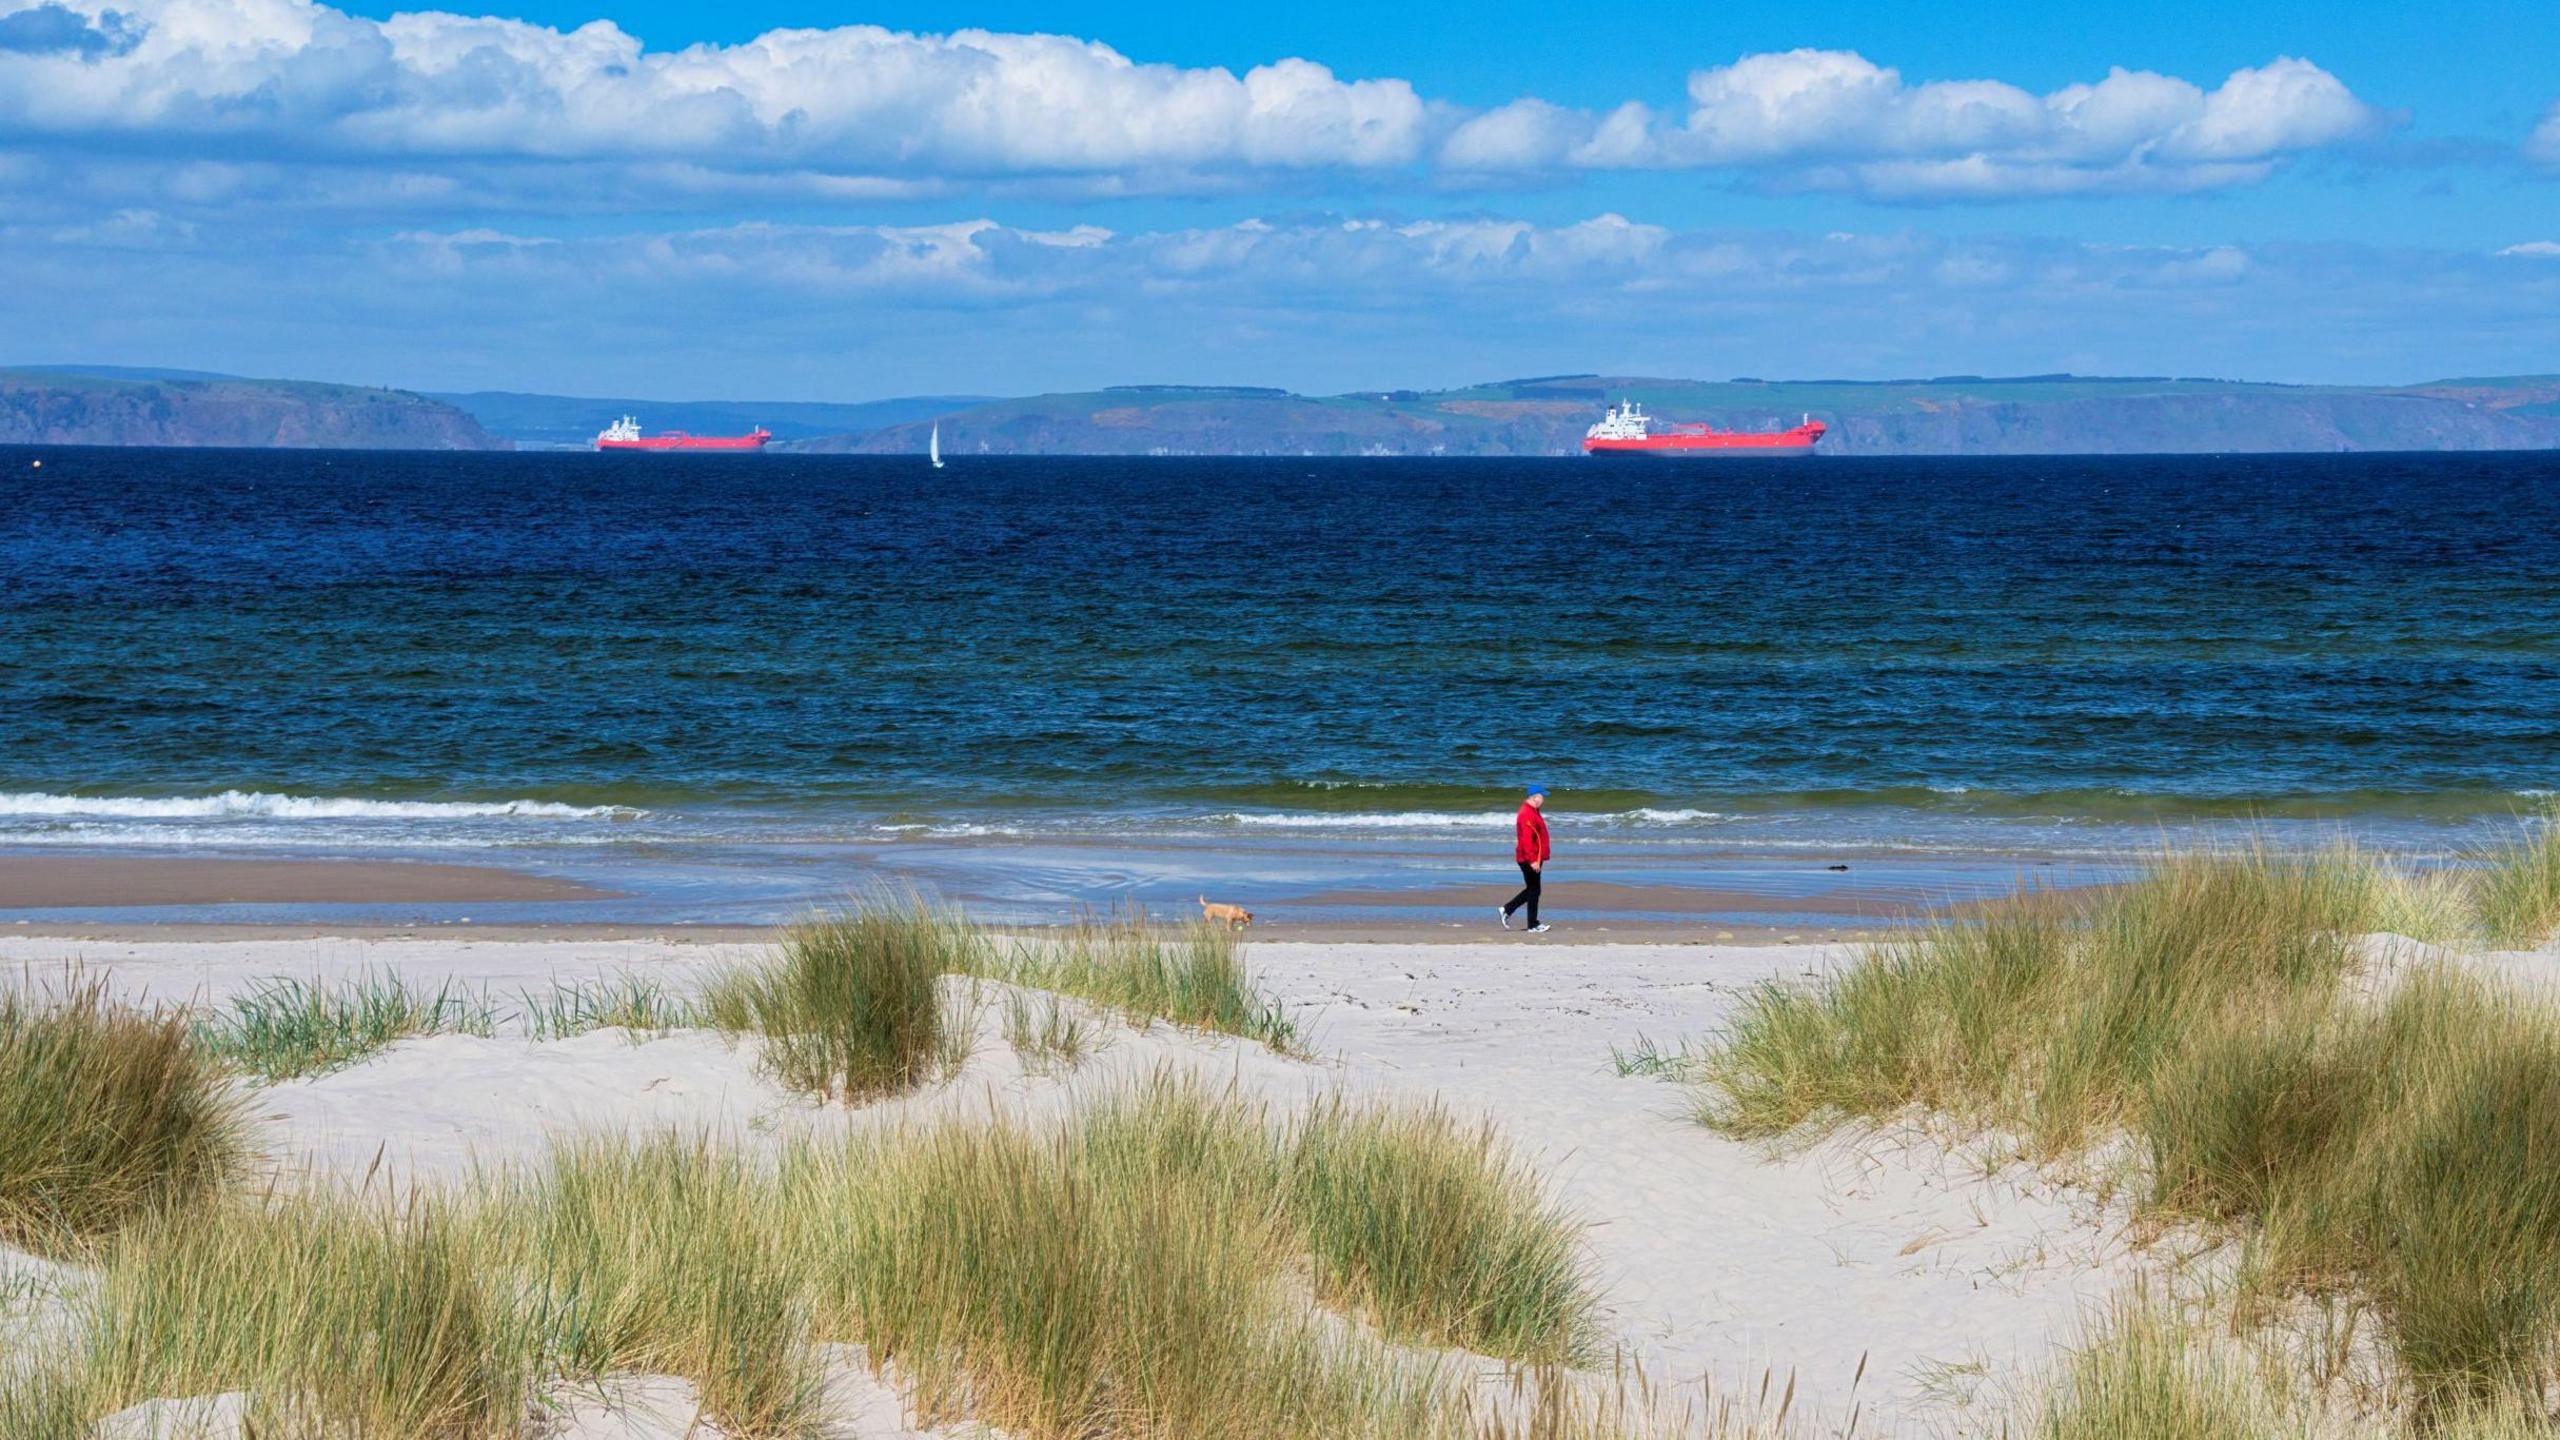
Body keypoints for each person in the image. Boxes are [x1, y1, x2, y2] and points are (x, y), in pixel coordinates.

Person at [1498, 785, 1551, 933]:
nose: (1544, 800)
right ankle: (1532, 924)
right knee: (1534, 890)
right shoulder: (1526, 814)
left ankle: (1508, 910)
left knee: (1533, 890)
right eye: (1542, 796)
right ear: (1535, 797)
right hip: (1529, 858)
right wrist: (1532, 860)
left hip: (1533, 856)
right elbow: (1526, 840)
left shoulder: (1533, 811)